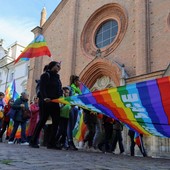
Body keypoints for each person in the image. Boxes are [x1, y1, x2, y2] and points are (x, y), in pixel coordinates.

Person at [29, 61, 63, 149]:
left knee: (56, 122)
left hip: (55, 102)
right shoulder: (45, 75)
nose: (59, 67)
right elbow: (42, 88)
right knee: (42, 121)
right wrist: (45, 98)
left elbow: (59, 90)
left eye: (59, 66)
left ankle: (51, 143)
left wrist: (61, 98)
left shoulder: (58, 78)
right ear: (52, 66)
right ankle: (33, 141)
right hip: (46, 101)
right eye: (57, 66)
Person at [67, 75, 81, 150]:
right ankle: (70, 142)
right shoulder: (70, 88)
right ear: (75, 81)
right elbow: (67, 97)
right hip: (71, 108)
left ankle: (68, 141)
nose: (80, 82)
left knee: (72, 126)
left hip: (76, 109)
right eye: (79, 81)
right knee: (70, 125)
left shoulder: (78, 90)